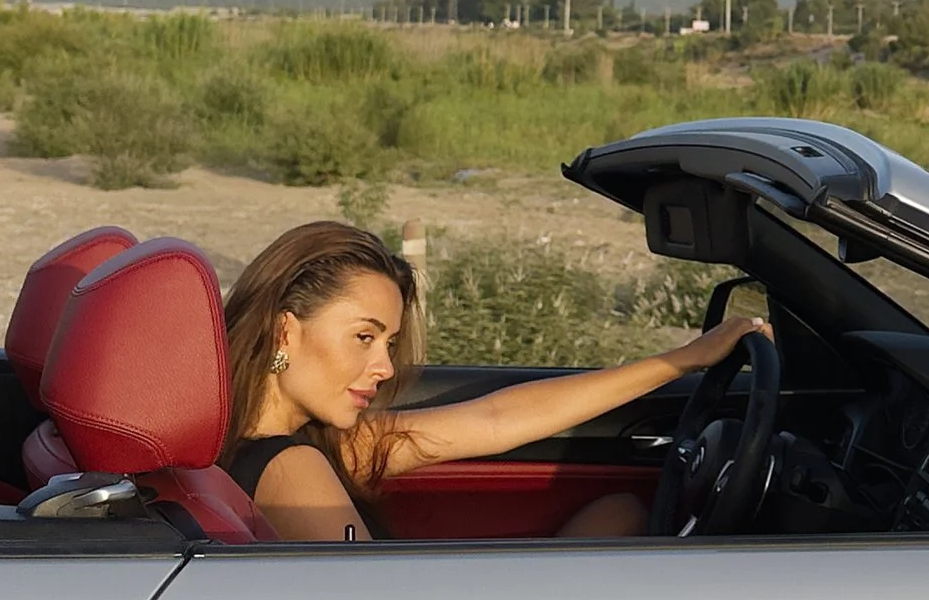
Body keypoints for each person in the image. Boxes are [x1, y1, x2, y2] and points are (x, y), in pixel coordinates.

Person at [220, 220, 757, 543]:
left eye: (387, 344)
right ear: (283, 332)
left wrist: (681, 361)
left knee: (619, 514)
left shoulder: (309, 446)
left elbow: (495, 419)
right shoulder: (291, 467)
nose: (384, 369)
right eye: (364, 337)